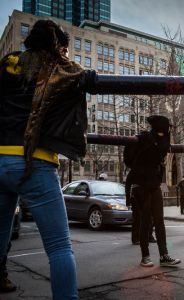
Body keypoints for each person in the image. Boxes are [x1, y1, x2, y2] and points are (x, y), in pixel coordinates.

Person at [0, 20, 86, 299]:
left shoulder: (8, 62)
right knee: (60, 247)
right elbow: (84, 76)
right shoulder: (58, 67)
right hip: (33, 161)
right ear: (56, 46)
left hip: (0, 159)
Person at [123, 115, 180, 267]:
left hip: (153, 184)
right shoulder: (143, 138)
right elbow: (128, 160)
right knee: (145, 220)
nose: (168, 130)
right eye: (167, 126)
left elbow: (164, 146)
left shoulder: (163, 140)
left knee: (159, 220)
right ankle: (145, 256)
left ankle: (164, 255)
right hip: (140, 184)